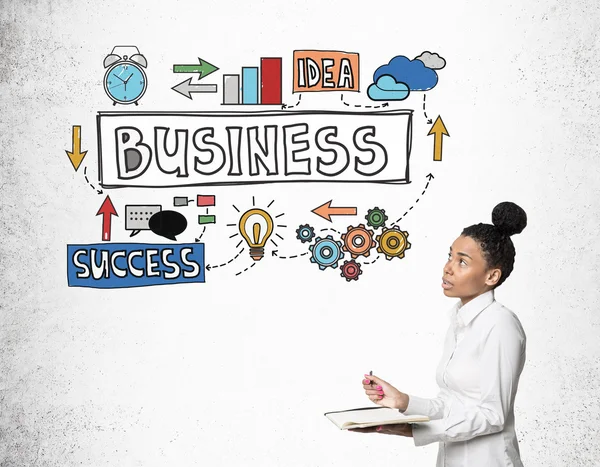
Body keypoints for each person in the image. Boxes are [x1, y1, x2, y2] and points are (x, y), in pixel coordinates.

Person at [351, 201, 528, 467]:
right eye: (450, 256)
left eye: (462, 262)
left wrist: (414, 431)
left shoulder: (500, 325)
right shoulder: (459, 321)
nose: (448, 267)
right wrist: (403, 401)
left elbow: (493, 416)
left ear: (491, 276)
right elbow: (452, 403)